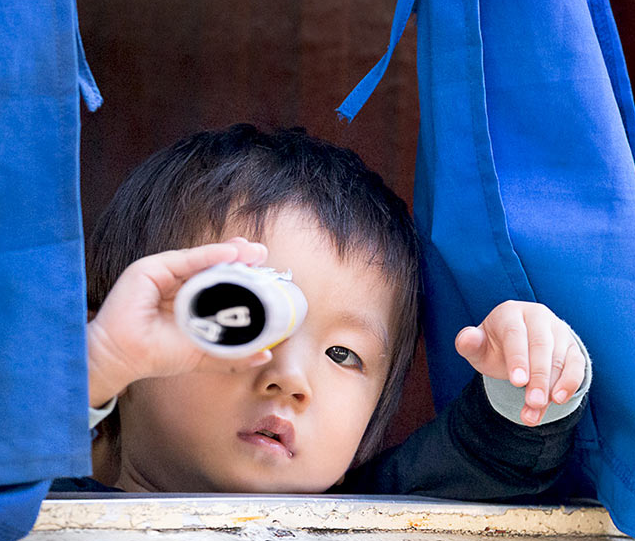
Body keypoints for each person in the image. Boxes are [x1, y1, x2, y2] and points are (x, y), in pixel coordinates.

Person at [54, 124, 589, 499]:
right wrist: (99, 363)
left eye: (342, 354)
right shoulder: (38, 499)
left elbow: (488, 461)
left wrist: (529, 376)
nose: (290, 380)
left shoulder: (373, 512)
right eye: (243, 319)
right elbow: (7, 449)